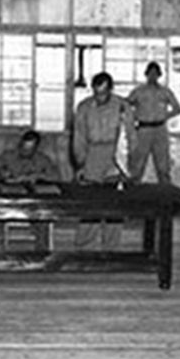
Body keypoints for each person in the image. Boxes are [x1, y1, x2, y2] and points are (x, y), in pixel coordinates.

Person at [74, 71, 136, 251]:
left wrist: (127, 166)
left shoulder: (123, 107)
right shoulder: (84, 107)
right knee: (90, 202)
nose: (99, 97)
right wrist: (80, 163)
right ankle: (84, 245)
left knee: (114, 203)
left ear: (110, 90)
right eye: (96, 93)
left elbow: (131, 136)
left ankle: (111, 247)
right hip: (92, 154)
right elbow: (79, 137)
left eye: (103, 93)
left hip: (115, 154)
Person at [0, 129, 61, 253]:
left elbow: (56, 177)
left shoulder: (42, 159)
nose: (26, 151)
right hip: (8, 202)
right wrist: (1, 175)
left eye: (30, 149)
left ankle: (42, 255)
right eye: (24, 148)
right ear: (20, 144)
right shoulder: (7, 156)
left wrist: (38, 176)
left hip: (32, 204)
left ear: (36, 148)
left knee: (44, 218)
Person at [127, 62, 180, 183]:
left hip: (160, 130)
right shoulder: (138, 91)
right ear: (146, 74)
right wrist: (133, 116)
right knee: (137, 165)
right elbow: (126, 105)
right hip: (143, 130)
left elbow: (177, 109)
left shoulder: (165, 91)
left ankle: (165, 191)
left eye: (155, 74)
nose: (153, 76)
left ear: (159, 75)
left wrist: (164, 116)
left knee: (163, 166)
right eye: (150, 73)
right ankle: (134, 190)